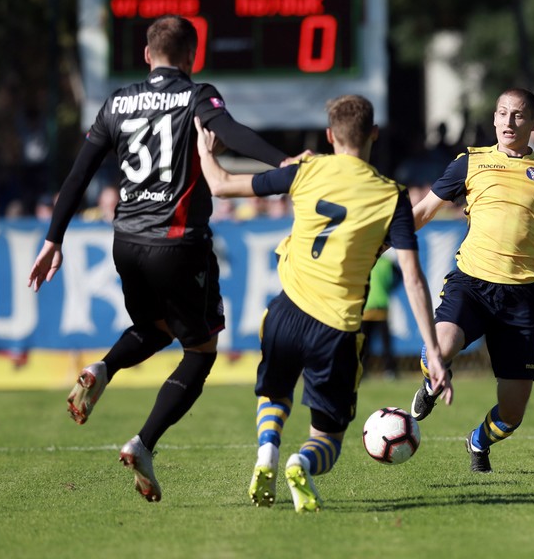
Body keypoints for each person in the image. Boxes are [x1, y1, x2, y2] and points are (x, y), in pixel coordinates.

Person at [26, 14, 301, 502]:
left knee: (156, 328)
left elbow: (78, 175)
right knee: (200, 350)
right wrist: (282, 162)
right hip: (178, 243)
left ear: (147, 55)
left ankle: (102, 369)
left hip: (126, 242)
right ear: (191, 57)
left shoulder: (118, 102)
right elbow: (231, 133)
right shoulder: (196, 96)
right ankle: (143, 442)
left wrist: (53, 239)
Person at [194, 95, 452, 512]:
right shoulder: (391, 196)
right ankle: (301, 463)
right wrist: (435, 354)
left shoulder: (307, 170)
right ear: (373, 134)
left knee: (274, 394)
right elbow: (413, 277)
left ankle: (267, 452)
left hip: (285, 310)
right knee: (328, 439)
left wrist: (206, 152)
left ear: (330, 135)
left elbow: (221, 184)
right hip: (335, 328)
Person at [409, 87, 534, 473]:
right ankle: (431, 384)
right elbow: (425, 211)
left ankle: (478, 441)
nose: (508, 122)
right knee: (441, 346)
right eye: (502, 113)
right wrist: (384, 240)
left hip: (520, 298)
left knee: (512, 413)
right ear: (494, 119)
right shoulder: (470, 162)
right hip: (472, 284)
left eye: (517, 115)